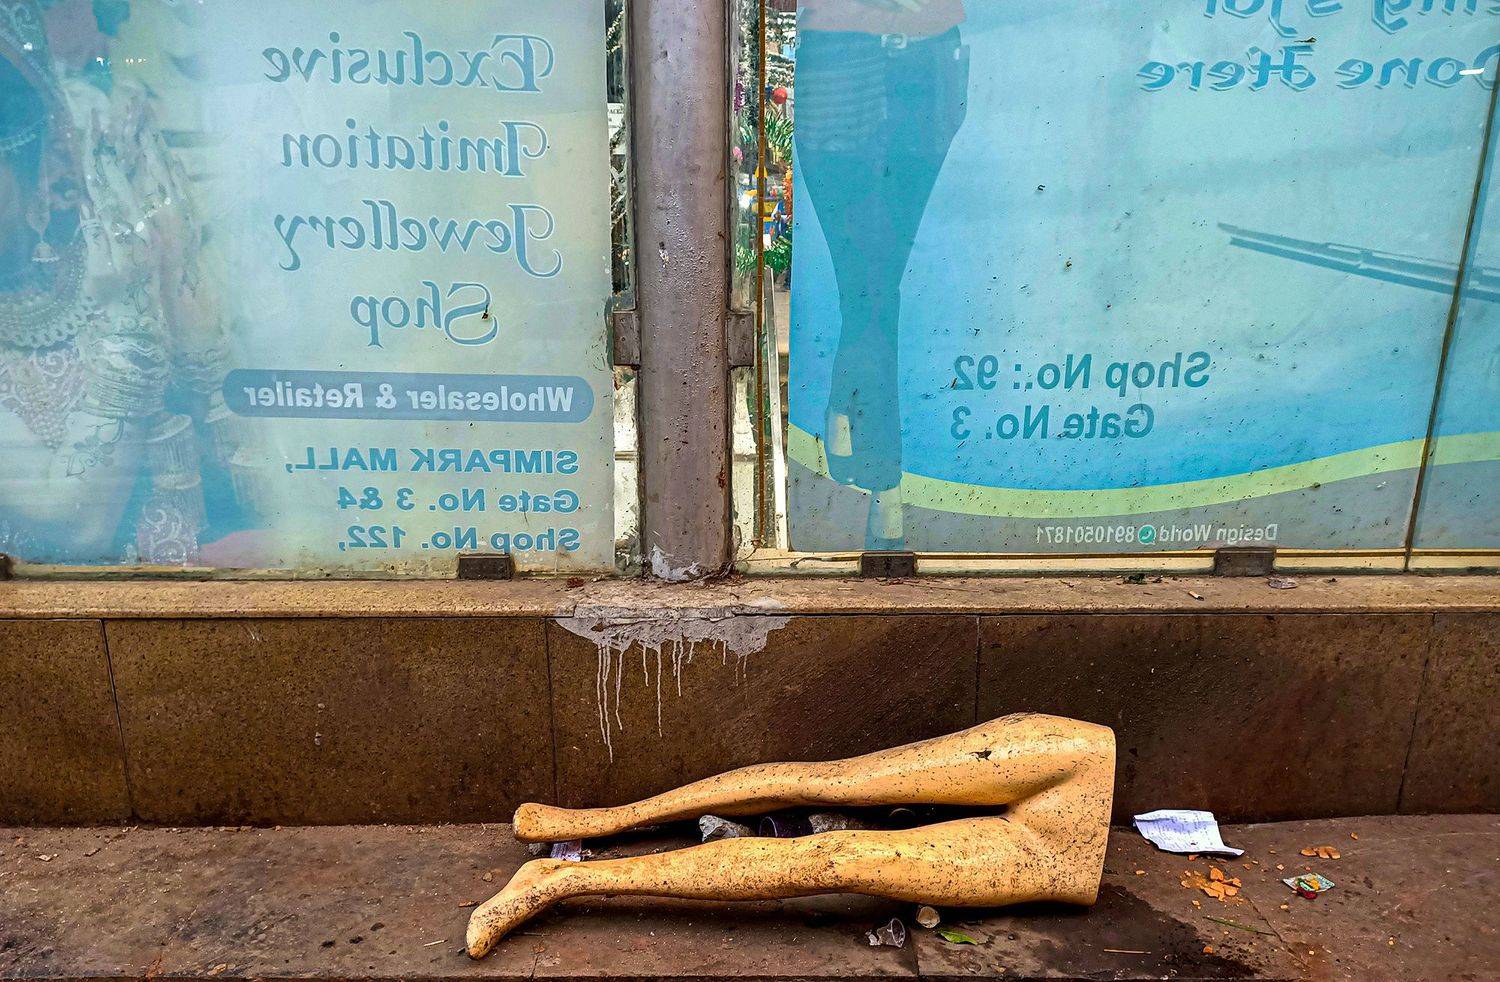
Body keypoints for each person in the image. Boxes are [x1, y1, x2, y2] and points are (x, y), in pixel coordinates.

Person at [466, 713, 1115, 957]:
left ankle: (562, 877)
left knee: (835, 859)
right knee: (837, 784)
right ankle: (598, 822)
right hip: (1080, 759)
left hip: (1058, 857)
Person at [0, 0, 246, 564]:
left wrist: (183, 294)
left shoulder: (100, 266)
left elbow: (239, 484)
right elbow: (79, 530)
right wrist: (136, 314)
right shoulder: (120, 289)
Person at [795, 0, 969, 549]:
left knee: (876, 282)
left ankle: (849, 408)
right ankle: (884, 477)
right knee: (869, 283)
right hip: (843, 54)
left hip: (933, 57)